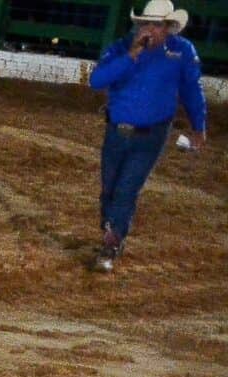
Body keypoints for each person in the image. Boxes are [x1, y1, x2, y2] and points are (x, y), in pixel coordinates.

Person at [88, 0, 206, 273]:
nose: (150, 29)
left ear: (168, 27)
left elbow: (192, 90)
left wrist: (198, 126)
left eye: (157, 25)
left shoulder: (182, 51)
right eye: (146, 24)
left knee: (126, 189)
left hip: (152, 135)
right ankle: (111, 228)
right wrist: (132, 54)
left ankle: (112, 241)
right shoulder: (122, 48)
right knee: (109, 188)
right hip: (117, 130)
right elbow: (97, 80)